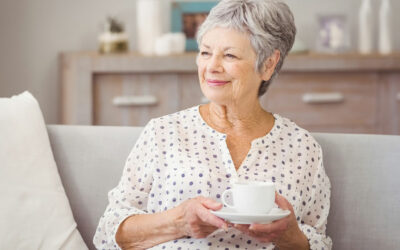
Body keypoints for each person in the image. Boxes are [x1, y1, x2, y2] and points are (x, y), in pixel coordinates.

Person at [93, 0, 332, 249]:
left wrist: (289, 236)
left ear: (268, 65)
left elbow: (319, 241)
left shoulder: (302, 147)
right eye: (205, 52)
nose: (211, 67)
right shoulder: (163, 132)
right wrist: (179, 222)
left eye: (229, 55)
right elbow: (108, 233)